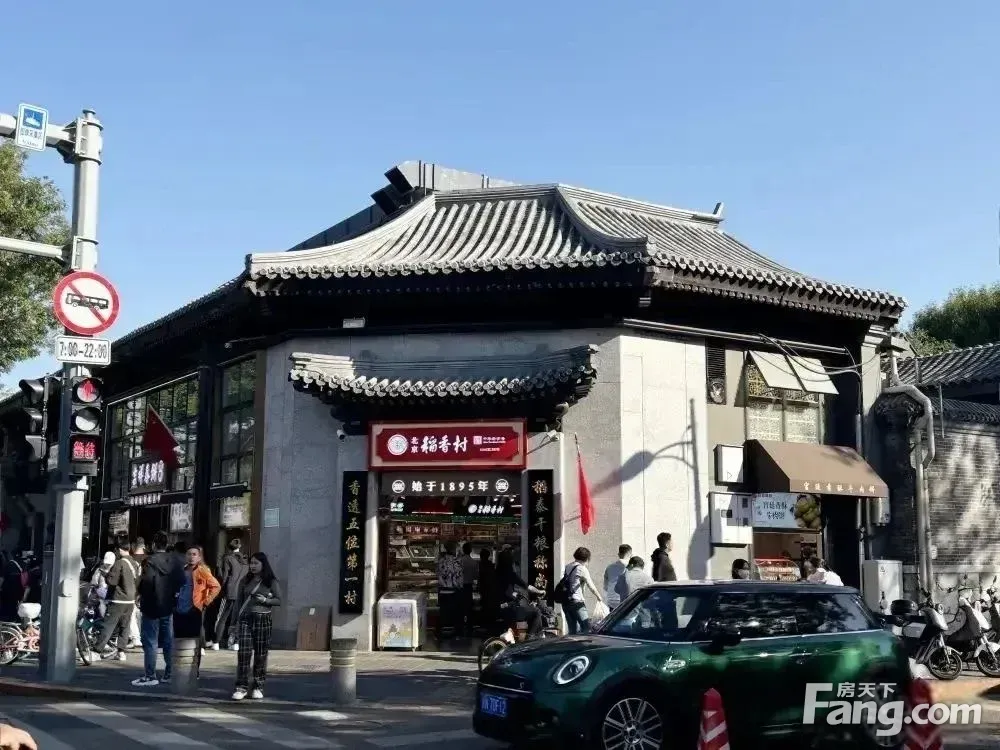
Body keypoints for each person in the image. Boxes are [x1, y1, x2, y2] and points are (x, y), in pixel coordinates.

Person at [133, 531, 185, 687]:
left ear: (154, 545)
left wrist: (140, 594)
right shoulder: (175, 561)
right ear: (167, 544)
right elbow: (182, 581)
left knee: (150, 642)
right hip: (168, 606)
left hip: (151, 606)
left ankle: (150, 675)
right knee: (168, 641)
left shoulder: (149, 561)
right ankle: (170, 673)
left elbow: (147, 583)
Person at [232, 552, 281, 701]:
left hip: (263, 618)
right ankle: (241, 687)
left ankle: (258, 686)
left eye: (256, 563)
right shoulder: (245, 580)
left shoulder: (271, 581)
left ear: (263, 564)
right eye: (251, 563)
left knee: (261, 654)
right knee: (244, 653)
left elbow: (278, 600)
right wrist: (233, 623)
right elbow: (238, 603)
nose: (252, 566)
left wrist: (265, 600)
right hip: (246, 619)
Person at [174, 544, 221, 678]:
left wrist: (205, 601)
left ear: (199, 557)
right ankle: (181, 669)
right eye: (189, 554)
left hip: (194, 610)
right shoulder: (181, 570)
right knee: (180, 641)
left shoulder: (202, 570)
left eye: (194, 554)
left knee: (194, 643)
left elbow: (216, 586)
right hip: (179, 610)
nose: (191, 557)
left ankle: (194, 671)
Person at [92, 533, 140, 661]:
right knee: (125, 626)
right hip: (130, 600)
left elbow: (112, 581)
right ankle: (121, 652)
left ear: (118, 549)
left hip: (118, 599)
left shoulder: (119, 563)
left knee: (108, 624)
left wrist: (105, 574)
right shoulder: (134, 563)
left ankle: (96, 651)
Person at [494, 548, 543, 644]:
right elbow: (527, 586)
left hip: (498, 607)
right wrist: (540, 591)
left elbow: (503, 590)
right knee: (536, 612)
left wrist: (513, 594)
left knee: (521, 613)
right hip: (510, 607)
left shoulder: (495, 572)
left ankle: (516, 636)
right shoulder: (510, 574)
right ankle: (529, 639)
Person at [212, 538, 249, 650]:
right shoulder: (245, 560)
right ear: (240, 546)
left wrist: (220, 588)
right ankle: (235, 642)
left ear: (228, 547)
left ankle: (216, 642)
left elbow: (224, 577)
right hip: (242, 590)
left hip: (230, 590)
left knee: (223, 616)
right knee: (238, 617)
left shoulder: (227, 558)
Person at [561, 547, 605, 635]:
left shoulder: (568, 566)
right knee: (586, 627)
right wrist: (599, 597)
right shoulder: (582, 568)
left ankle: (571, 643)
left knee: (572, 630)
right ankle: (584, 644)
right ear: (586, 558)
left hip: (565, 602)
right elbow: (591, 586)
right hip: (577, 602)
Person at [436, 541, 463, 640]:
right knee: (455, 613)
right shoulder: (457, 561)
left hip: (442, 591)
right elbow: (459, 576)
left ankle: (439, 634)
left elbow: (438, 574)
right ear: (453, 549)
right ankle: (455, 634)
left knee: (443, 612)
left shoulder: (441, 560)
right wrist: (459, 587)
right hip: (453, 591)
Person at [603, 544, 632, 610]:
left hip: (611, 601)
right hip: (626, 600)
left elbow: (605, 586)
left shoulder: (609, 567)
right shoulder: (630, 567)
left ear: (618, 554)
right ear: (630, 555)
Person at [459, 542, 478, 636]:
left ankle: (461, 626)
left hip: (460, 587)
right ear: (470, 550)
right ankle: (470, 627)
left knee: (461, 607)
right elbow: (475, 576)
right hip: (469, 587)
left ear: (463, 550)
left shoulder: (460, 561)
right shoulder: (474, 562)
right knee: (469, 607)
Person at [477, 547, 496, 631]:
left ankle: (484, 624)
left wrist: (479, 587)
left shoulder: (481, 565)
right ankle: (488, 624)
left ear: (482, 556)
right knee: (488, 606)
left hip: (484, 589)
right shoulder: (491, 565)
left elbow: (480, 578)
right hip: (490, 589)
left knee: (484, 606)